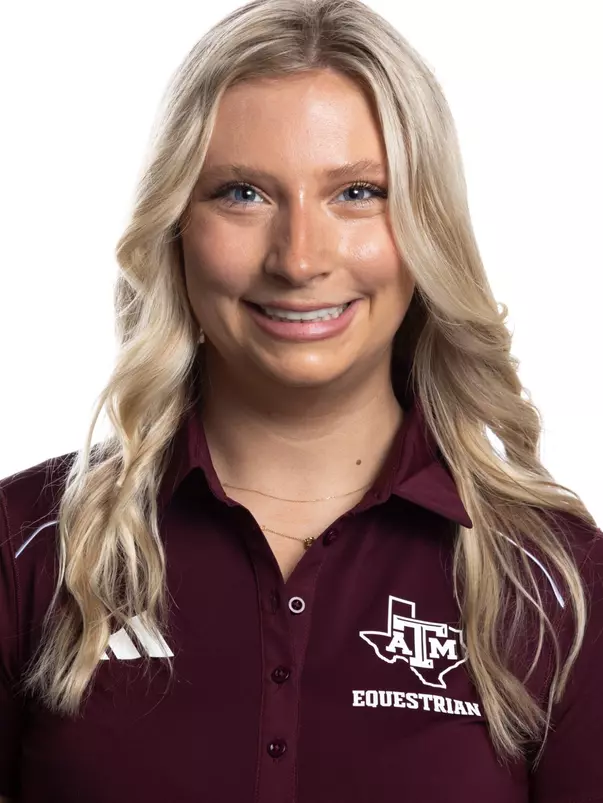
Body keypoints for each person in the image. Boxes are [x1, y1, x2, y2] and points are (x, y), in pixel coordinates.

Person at [1, 0, 601, 800]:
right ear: (175, 228)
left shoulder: (554, 579)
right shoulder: (28, 549)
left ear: (427, 227)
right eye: (243, 193)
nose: (299, 258)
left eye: (356, 192)